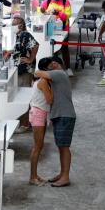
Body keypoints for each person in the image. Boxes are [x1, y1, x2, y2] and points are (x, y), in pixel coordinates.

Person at [33, 56, 75, 187]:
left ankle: (65, 176)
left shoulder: (58, 74)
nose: (54, 64)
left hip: (64, 115)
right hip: (60, 114)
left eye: (55, 63)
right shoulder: (55, 77)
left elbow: (36, 73)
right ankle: (63, 174)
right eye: (51, 64)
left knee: (64, 147)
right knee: (61, 146)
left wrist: (46, 72)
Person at [39, 0, 74, 76]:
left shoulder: (65, 2)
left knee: (64, 49)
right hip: (50, 29)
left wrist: (57, 13)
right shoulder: (49, 0)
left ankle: (68, 68)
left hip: (63, 29)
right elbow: (41, 10)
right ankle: (55, 70)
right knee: (54, 49)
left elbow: (68, 15)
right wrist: (43, 11)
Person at [28, 58, 52, 186]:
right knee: (37, 146)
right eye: (51, 66)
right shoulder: (43, 82)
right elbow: (49, 100)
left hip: (40, 113)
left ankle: (35, 175)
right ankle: (32, 177)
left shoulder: (43, 81)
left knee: (40, 145)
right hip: (38, 114)